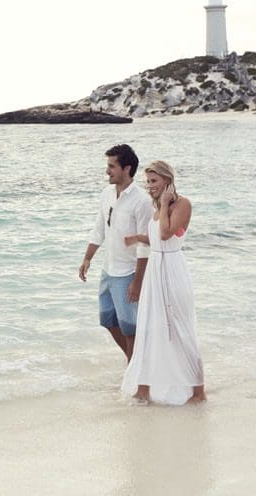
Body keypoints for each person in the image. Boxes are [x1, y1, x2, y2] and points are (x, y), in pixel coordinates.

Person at [120, 160, 206, 404]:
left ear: (168, 180)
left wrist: (166, 203)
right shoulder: (158, 207)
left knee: (180, 329)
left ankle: (199, 392)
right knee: (149, 328)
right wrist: (138, 237)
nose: (150, 186)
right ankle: (143, 389)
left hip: (172, 270)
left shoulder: (181, 204)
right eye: (147, 182)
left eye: (154, 181)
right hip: (155, 271)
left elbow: (167, 234)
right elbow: (158, 239)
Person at [78, 144, 152, 361]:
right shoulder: (107, 193)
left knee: (130, 328)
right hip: (108, 270)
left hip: (127, 273)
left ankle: (135, 372)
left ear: (126, 168)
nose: (107, 171)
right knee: (108, 320)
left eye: (112, 166)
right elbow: (99, 228)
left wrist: (137, 282)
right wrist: (87, 258)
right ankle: (135, 362)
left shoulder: (142, 200)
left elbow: (144, 245)